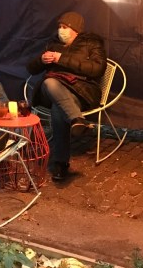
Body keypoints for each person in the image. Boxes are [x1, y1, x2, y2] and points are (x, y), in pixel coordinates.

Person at [26, 11, 106, 182]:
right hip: (52, 90)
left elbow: (97, 69)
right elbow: (31, 69)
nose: (61, 30)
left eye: (65, 27)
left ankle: (61, 164)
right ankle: (76, 119)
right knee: (50, 83)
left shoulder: (91, 43)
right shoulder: (53, 45)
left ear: (75, 30)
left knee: (58, 109)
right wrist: (42, 60)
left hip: (81, 91)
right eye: (60, 27)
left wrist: (61, 59)